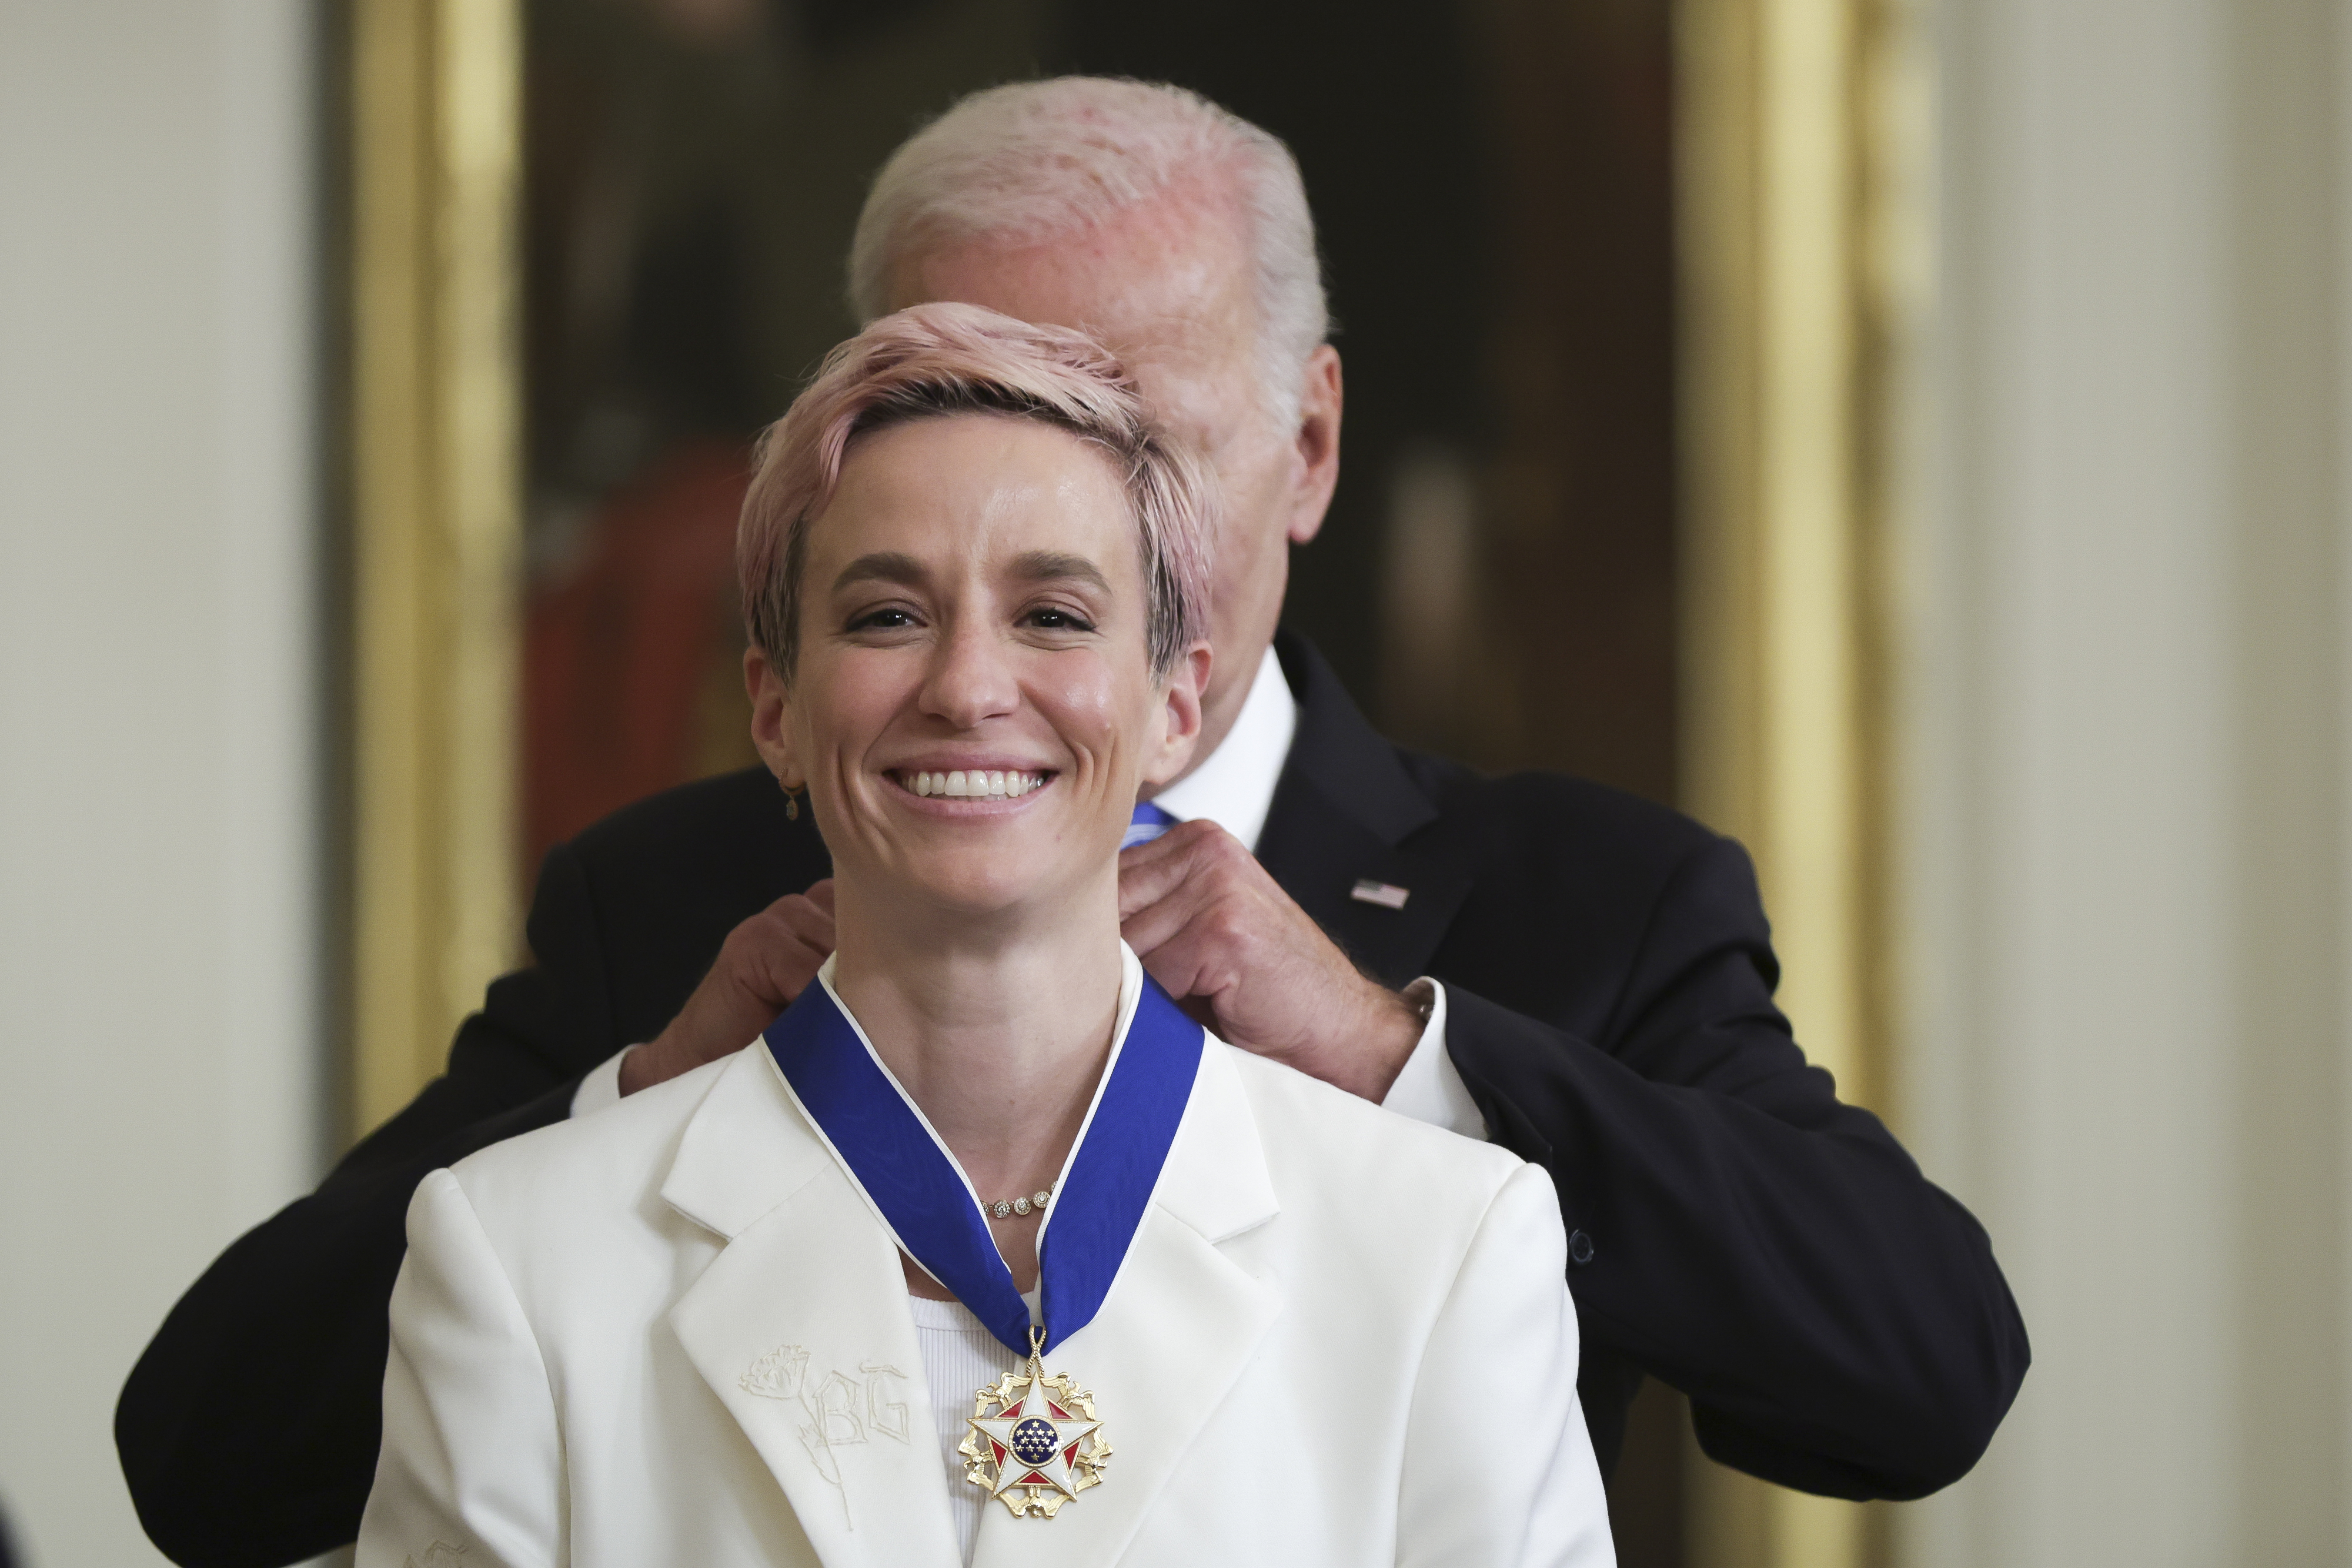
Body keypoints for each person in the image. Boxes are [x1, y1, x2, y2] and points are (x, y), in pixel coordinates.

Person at [119, 78, 2026, 1568]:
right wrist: (652, 1097)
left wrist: (1392, 1050)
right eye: (960, 402)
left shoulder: (1583, 902)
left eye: (1122, 438)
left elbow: (1921, 1367)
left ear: (1310, 442)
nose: (991, 633)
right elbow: (215, 1451)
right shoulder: (681, 893)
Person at [355, 302, 1614, 1568]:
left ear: (1173, 703)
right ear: (775, 709)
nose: (966, 687)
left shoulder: (1445, 1246)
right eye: (886, 615)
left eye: (1053, 615)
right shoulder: (520, 1256)